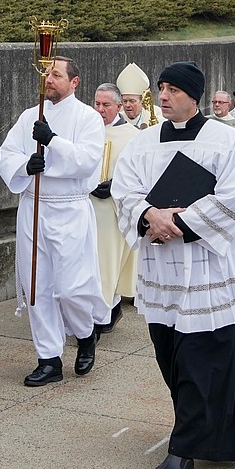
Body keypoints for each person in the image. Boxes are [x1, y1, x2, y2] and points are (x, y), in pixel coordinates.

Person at [112, 61, 235, 469]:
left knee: (203, 360)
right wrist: (148, 215)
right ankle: (217, 436)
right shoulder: (143, 143)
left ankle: (184, 449)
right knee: (171, 355)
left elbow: (234, 198)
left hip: (208, 268)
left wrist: (179, 224)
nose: (163, 96)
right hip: (162, 266)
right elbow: (125, 191)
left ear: (193, 96)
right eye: (161, 88)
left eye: (173, 89)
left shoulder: (224, 139)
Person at [0, 56, 108, 386]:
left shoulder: (88, 118)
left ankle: (86, 334)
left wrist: (52, 141)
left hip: (70, 207)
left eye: (56, 75)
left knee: (72, 287)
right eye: (46, 74)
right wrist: (25, 166)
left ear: (74, 82)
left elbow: (87, 161)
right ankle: (48, 358)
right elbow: (7, 153)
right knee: (37, 285)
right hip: (34, 206)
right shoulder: (30, 116)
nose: (49, 80)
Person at [90, 83, 139, 333]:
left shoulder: (132, 135)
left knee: (107, 262)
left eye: (106, 105)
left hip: (113, 209)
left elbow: (139, 173)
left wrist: (114, 185)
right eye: (96, 103)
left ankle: (105, 312)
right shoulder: (85, 130)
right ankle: (91, 313)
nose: (100, 109)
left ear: (119, 107)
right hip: (86, 206)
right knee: (88, 263)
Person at [117, 62, 153, 129]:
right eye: (125, 101)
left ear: (141, 101)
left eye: (132, 101)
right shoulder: (117, 119)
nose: (127, 105)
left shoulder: (152, 118)